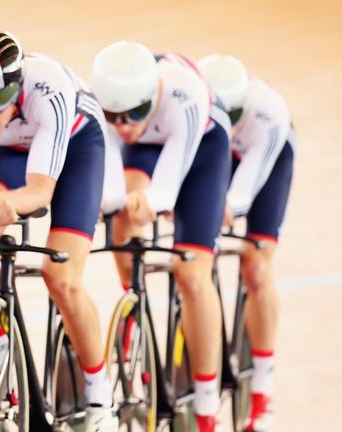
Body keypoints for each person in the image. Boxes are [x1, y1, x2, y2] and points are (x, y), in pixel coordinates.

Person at [0, 28, 121, 431]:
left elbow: (41, 192)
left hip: (79, 152)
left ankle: (100, 395)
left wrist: (10, 204)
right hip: (12, 152)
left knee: (61, 277)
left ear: (17, 85)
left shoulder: (50, 88)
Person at [91, 41, 232, 432]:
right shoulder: (112, 109)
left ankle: (207, 406)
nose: (122, 125)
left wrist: (147, 201)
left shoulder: (184, 94)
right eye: (112, 115)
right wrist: (114, 203)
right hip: (146, 152)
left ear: (151, 94)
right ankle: (133, 301)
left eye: (133, 113)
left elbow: (165, 193)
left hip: (202, 149)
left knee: (191, 273)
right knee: (123, 213)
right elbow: (114, 189)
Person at [198, 54, 295, 432]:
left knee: (256, 265)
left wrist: (218, 209)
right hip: (216, 152)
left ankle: (262, 390)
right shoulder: (200, 109)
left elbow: (239, 198)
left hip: (264, 159)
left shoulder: (268, 114)